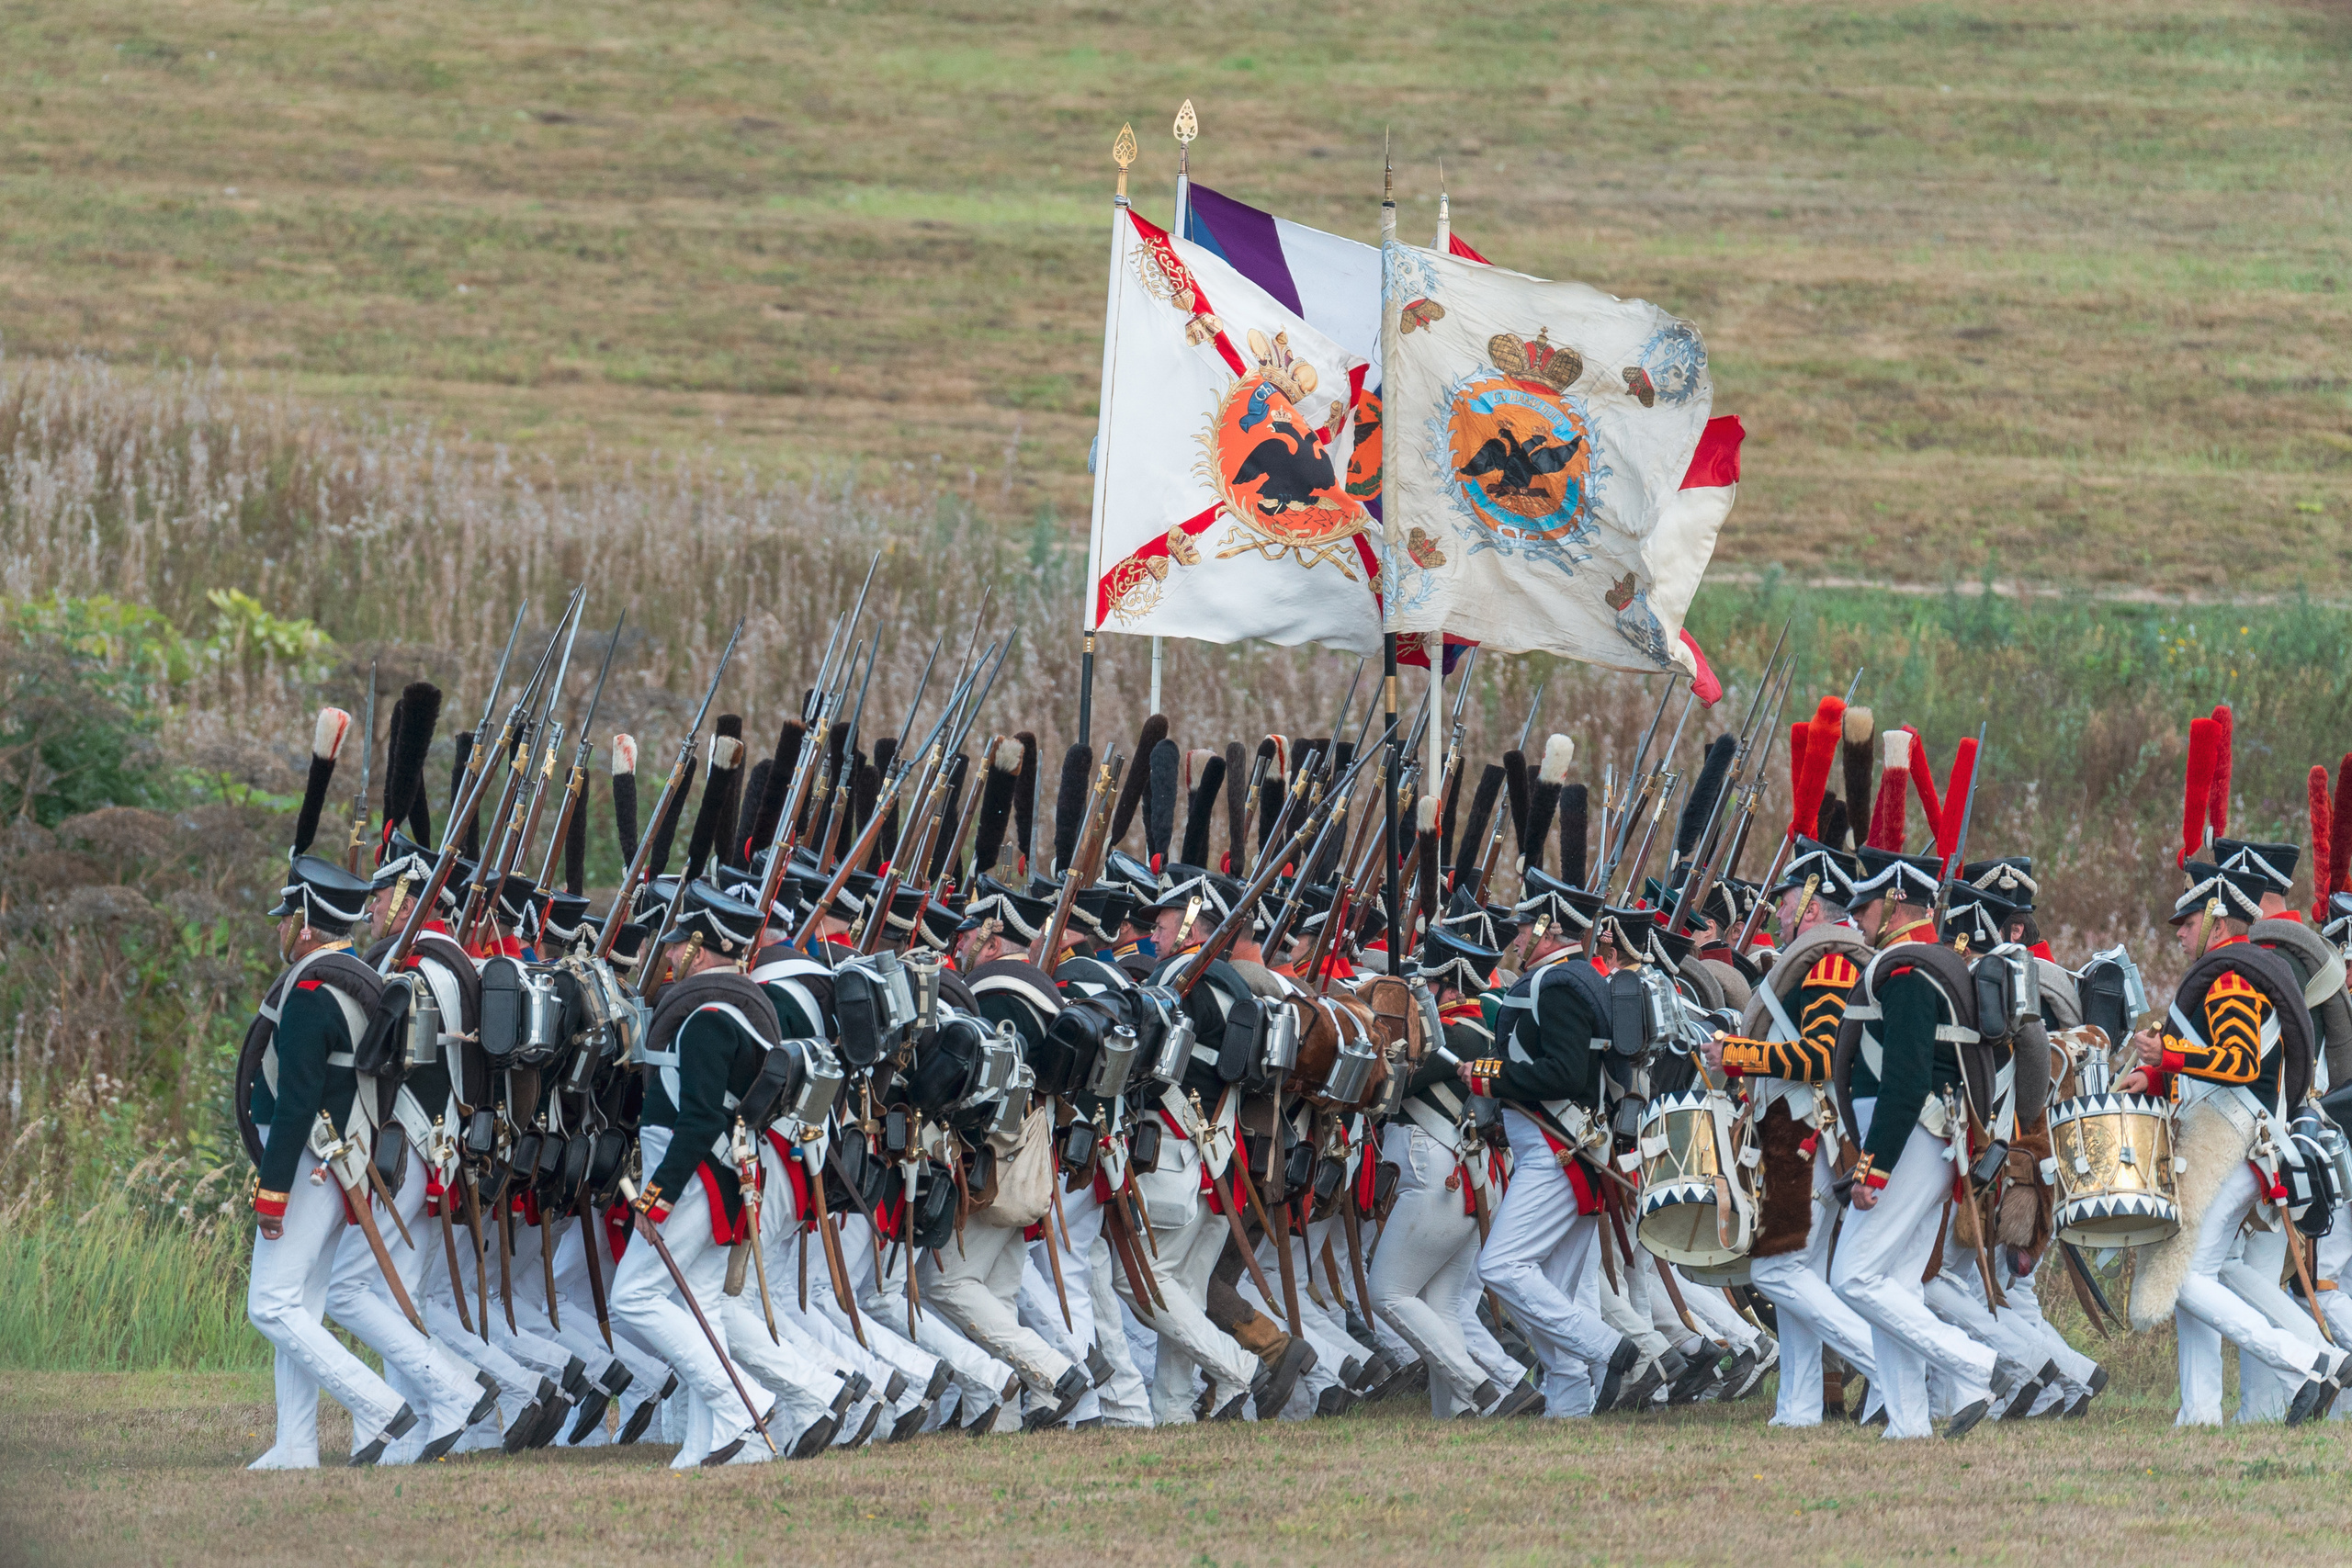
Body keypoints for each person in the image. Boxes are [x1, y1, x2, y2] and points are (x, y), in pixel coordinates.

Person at [2114, 860, 2349, 1426]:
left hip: (2238, 1135)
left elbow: (2239, 1063)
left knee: (2189, 1274)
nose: (2180, 932)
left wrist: (2165, 1056)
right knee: (2215, 1266)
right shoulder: (2237, 970)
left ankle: (2300, 1366)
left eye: (2189, 920)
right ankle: (2202, 1410)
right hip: (2239, 1133)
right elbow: (2215, 1065)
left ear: (2218, 921)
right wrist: (2158, 1076)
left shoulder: (2233, 977)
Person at [243, 853, 422, 1468]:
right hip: (339, 1158)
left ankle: (376, 1404)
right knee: (302, 1303)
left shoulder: (313, 992)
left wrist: (271, 1194)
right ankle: (296, 1444)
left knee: (269, 1304)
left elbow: (295, 1103)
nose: (282, 926)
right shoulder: (347, 977)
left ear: (310, 924)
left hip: (309, 1161)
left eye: (289, 915)